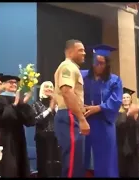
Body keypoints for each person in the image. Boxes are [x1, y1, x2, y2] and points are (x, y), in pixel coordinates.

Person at [81, 44, 122, 177]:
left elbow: (116, 100)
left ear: (107, 64)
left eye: (101, 63)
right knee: (84, 159)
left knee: (105, 161)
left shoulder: (114, 80)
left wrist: (98, 108)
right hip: (85, 122)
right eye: (96, 63)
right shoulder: (83, 76)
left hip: (104, 124)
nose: (98, 66)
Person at [54, 39, 90, 178]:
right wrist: (81, 119)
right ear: (69, 51)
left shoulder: (72, 68)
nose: (84, 53)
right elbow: (67, 92)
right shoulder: (67, 67)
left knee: (76, 161)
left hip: (72, 114)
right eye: (80, 50)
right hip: (69, 115)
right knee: (72, 161)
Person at [0, 75, 36, 177]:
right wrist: (14, 105)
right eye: (10, 82)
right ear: (3, 84)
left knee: (20, 164)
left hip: (19, 137)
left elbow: (30, 122)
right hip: (5, 137)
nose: (13, 84)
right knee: (8, 165)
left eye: (15, 83)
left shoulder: (19, 100)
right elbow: (2, 119)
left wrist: (24, 104)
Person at [31, 81, 61, 177]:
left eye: (51, 87)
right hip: (42, 137)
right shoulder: (36, 103)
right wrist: (49, 109)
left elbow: (60, 118)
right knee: (44, 163)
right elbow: (36, 120)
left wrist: (55, 106)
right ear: (42, 89)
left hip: (56, 137)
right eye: (46, 86)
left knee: (56, 162)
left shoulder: (58, 104)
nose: (49, 88)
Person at [116, 87, 139, 177]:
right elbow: (117, 127)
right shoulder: (117, 113)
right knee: (122, 170)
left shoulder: (138, 111)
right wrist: (128, 116)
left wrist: (136, 142)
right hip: (121, 145)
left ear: (131, 99)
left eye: (127, 97)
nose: (125, 99)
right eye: (123, 98)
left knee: (134, 170)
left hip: (133, 146)